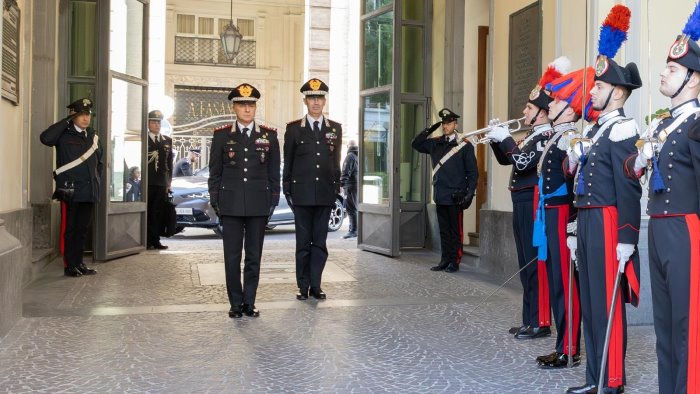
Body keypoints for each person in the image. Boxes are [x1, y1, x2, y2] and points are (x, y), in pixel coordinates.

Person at [565, 5, 642, 393]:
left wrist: (628, 237)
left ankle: (612, 381)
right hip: (591, 221)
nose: (591, 90)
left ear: (618, 92)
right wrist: (577, 224)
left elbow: (630, 186)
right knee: (592, 303)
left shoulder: (623, 128)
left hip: (612, 223)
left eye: (598, 86)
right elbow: (581, 185)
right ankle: (594, 378)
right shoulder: (597, 132)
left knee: (607, 304)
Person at [624, 5, 700, 392]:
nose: (662, 73)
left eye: (672, 70)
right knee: (665, 325)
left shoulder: (697, 125)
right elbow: (632, 172)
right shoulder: (665, 124)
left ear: (692, 79)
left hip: (687, 229)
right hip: (659, 229)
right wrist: (640, 159)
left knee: (688, 324)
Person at [486, 57, 570, 339]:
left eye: (530, 108)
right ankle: (529, 318)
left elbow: (521, 162)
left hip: (533, 201)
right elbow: (508, 161)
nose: (524, 111)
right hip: (521, 200)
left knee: (534, 263)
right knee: (525, 263)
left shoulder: (545, 137)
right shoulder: (532, 135)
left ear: (543, 113)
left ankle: (540, 321)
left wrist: (506, 139)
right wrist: (498, 140)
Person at [531, 67, 599, 369]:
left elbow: (575, 184)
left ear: (571, 109)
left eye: (557, 102)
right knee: (557, 280)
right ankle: (564, 343)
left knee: (565, 283)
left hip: (561, 214)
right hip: (549, 213)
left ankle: (569, 348)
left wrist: (572, 221)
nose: (552, 105)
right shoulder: (557, 135)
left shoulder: (569, 138)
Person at [208, 83, 280, 319]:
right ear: (234, 107)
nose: (247, 109)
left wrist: (272, 201)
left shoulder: (269, 136)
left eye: (251, 105)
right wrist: (216, 201)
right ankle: (235, 303)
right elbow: (215, 173)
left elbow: (273, 173)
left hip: (258, 205)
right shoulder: (221, 136)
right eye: (242, 105)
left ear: (256, 107)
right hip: (231, 205)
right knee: (232, 257)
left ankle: (250, 302)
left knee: (253, 257)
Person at [283, 78, 342, 301]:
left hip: (325, 194)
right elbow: (287, 161)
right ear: (305, 101)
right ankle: (303, 285)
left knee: (320, 243)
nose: (316, 102)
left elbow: (335, 162)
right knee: (303, 243)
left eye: (319, 98)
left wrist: (337, 188)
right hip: (302, 194)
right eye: (312, 98)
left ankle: (316, 284)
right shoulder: (294, 129)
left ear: (324, 101)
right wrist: (287, 189)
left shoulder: (334, 128)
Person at [40, 98, 102, 277]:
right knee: (70, 230)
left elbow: (99, 162)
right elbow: (45, 138)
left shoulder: (93, 136)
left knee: (82, 230)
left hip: (89, 191)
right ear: (73, 115)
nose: (85, 118)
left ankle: (79, 263)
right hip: (71, 191)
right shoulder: (64, 134)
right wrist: (66, 120)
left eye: (88, 114)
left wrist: (97, 182)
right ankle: (69, 265)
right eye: (81, 114)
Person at [412, 108, 478, 273]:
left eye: (448, 123)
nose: (445, 126)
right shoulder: (436, 143)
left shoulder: (464, 145)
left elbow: (472, 172)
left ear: (455, 123)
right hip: (441, 194)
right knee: (444, 231)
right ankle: (444, 259)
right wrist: (430, 129)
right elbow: (416, 144)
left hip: (456, 195)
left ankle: (454, 261)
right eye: (443, 123)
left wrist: (470, 193)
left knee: (456, 231)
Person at [146, 110, 174, 250]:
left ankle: (155, 240)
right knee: (147, 212)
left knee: (157, 212)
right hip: (147, 182)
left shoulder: (167, 141)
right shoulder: (143, 139)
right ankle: (145, 240)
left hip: (161, 182)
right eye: (153, 122)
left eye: (158, 122)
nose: (156, 125)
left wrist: (169, 183)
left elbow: (169, 164)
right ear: (148, 123)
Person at [340, 140, 359, 239]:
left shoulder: (350, 156)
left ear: (348, 146)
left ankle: (353, 230)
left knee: (351, 208)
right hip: (356, 184)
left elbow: (345, 171)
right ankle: (355, 229)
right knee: (355, 207)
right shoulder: (357, 155)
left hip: (350, 185)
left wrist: (342, 184)